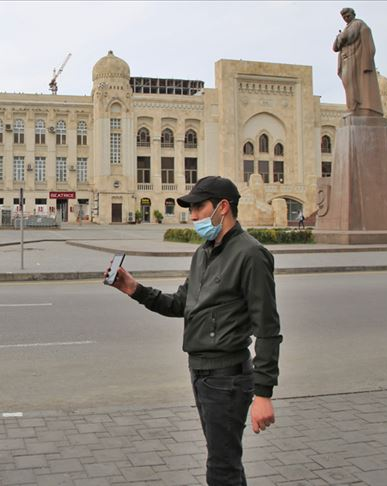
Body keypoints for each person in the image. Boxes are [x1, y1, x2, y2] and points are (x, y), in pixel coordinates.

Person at [106, 176, 282, 485]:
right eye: (191, 209)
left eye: (199, 207)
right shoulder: (203, 253)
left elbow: (267, 328)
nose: (194, 216)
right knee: (225, 461)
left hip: (227, 378)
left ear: (223, 207)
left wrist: (263, 393)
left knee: (221, 468)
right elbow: (180, 304)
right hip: (201, 374)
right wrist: (135, 289)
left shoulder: (251, 255)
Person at [333, 7, 383, 116]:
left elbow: (349, 37)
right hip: (347, 60)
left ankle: (355, 108)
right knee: (348, 83)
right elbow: (335, 47)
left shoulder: (358, 24)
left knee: (351, 83)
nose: (346, 18)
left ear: (353, 15)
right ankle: (352, 107)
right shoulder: (348, 27)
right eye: (344, 17)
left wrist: (340, 36)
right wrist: (340, 38)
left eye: (348, 16)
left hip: (355, 60)